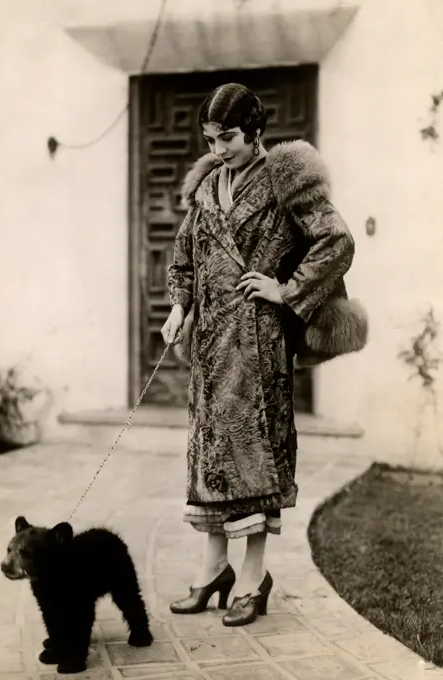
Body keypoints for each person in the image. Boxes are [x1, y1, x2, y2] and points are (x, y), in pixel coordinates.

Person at [161, 82, 355, 627]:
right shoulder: (205, 187)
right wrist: (180, 308)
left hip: (259, 341)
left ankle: (253, 578)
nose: (218, 149)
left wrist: (286, 289)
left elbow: (337, 240)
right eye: (210, 139)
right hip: (210, 348)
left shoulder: (285, 178)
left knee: (254, 453)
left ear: (256, 131)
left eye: (228, 138)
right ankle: (212, 569)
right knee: (210, 452)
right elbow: (184, 259)